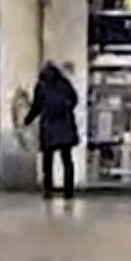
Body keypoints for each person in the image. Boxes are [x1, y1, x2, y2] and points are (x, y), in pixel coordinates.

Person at [24, 62, 80, 199]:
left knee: (47, 161)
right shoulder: (64, 83)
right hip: (65, 125)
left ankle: (48, 190)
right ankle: (69, 191)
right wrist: (66, 109)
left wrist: (27, 120)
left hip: (48, 126)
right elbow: (74, 100)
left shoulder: (42, 86)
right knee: (67, 160)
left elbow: (36, 106)